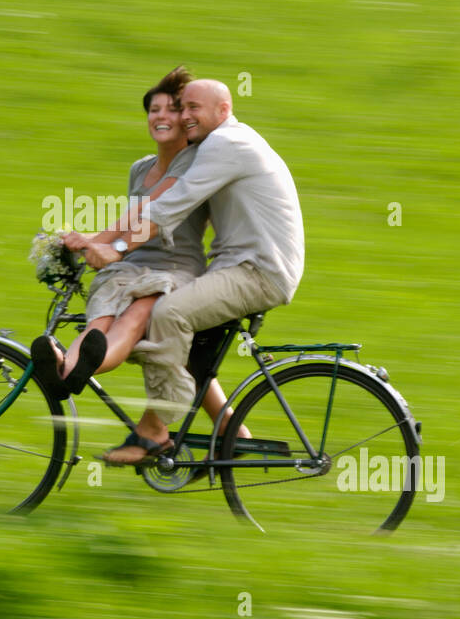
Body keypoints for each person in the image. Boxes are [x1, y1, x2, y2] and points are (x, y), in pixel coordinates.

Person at [75, 78, 304, 465]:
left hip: (258, 271)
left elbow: (170, 207)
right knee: (191, 348)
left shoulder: (225, 144)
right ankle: (231, 435)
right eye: (183, 108)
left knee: (169, 312)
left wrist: (114, 250)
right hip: (241, 265)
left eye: (193, 108)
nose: (184, 116)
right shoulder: (222, 143)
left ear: (224, 110)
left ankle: (154, 430)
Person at [29, 67, 235, 435]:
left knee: (137, 314)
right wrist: (84, 239)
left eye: (172, 110)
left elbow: (147, 211)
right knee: (100, 316)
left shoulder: (193, 162)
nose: (161, 117)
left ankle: (83, 366)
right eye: (153, 110)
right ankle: (66, 367)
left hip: (173, 268)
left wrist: (101, 242)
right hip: (133, 262)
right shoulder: (140, 168)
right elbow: (131, 222)